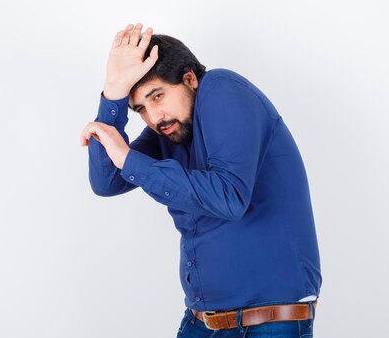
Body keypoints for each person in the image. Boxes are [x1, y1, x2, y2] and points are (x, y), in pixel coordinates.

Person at [80, 23, 322, 337]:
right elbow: (107, 182)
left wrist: (128, 157)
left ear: (190, 79)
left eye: (158, 96)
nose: (155, 117)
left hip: (270, 323)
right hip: (202, 322)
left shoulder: (221, 88)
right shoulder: (167, 133)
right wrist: (113, 93)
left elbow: (229, 197)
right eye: (140, 108)